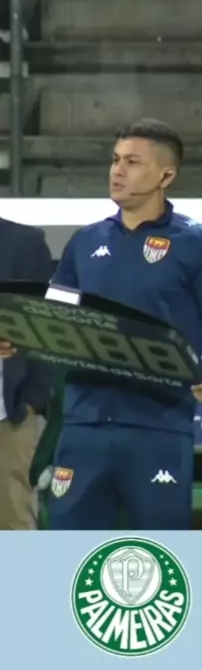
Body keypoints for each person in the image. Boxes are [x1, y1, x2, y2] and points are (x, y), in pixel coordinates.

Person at [27, 118, 202, 530]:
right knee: (66, 558)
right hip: (83, 428)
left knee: (161, 558)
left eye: (132, 162)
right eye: (115, 160)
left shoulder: (196, 244)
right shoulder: (85, 242)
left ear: (166, 175)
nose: (117, 171)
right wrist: (19, 337)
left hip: (158, 429)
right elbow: (53, 318)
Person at [0, 215, 54, 529]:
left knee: (13, 527)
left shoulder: (24, 244)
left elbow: (49, 327)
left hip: (8, 417)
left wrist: (33, 400)